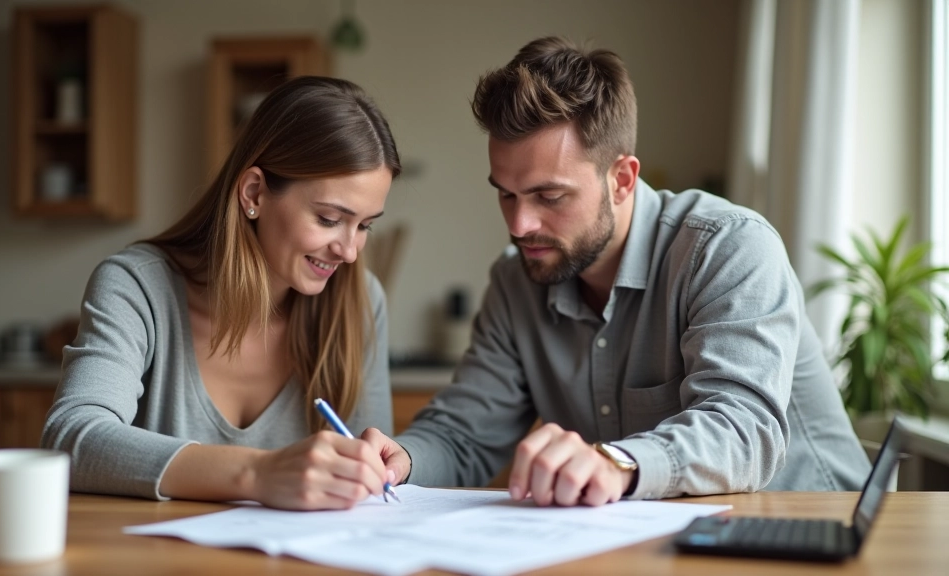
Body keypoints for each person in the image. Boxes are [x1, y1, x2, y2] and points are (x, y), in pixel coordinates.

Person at [363, 37, 871, 506]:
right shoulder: (516, 280)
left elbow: (742, 431)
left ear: (623, 179)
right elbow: (464, 434)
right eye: (506, 193)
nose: (520, 224)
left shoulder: (729, 248)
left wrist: (617, 462)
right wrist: (400, 460)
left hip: (813, 527)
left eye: (549, 196)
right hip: (666, 540)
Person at [42, 77, 402, 511]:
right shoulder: (136, 286)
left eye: (365, 226)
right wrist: (257, 474)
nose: (348, 251)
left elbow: (368, 483)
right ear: (254, 193)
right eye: (329, 219)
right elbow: (72, 436)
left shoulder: (361, 298)